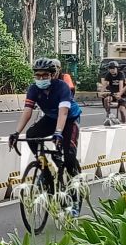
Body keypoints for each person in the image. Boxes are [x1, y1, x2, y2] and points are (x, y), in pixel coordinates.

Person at [9, 58, 82, 214]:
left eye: (44, 75)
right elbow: (27, 112)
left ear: (53, 74)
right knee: (31, 134)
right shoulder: (34, 89)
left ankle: (75, 198)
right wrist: (16, 133)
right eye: (37, 75)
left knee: (69, 158)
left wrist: (58, 133)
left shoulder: (62, 87)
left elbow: (63, 112)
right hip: (50, 118)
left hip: (69, 119)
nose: (41, 79)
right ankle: (45, 168)